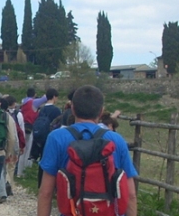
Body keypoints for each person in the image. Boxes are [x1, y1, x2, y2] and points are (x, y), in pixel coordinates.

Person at [36, 86, 138, 216]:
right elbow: (131, 195)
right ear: (101, 111)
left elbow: (46, 192)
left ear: (72, 108)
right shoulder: (116, 140)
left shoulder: (56, 138)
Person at [31, 88, 61, 188]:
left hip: (40, 137)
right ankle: (51, 186)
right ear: (54, 97)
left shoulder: (41, 109)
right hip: (50, 137)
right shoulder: (56, 110)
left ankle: (40, 184)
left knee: (42, 160)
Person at [17, 88, 47, 178]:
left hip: (22, 126)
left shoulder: (23, 101)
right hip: (30, 127)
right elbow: (45, 98)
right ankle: (23, 172)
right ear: (34, 94)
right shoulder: (33, 102)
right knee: (27, 150)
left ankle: (19, 171)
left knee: (22, 149)